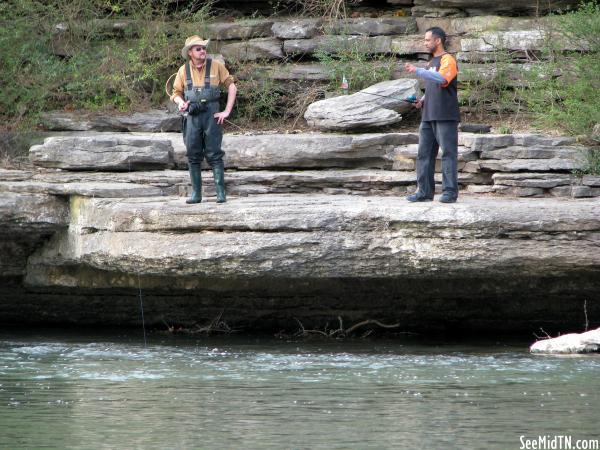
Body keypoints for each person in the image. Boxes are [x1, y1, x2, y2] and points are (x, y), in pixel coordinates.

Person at [171, 35, 237, 204]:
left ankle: (221, 194)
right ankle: (196, 195)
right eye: (198, 49)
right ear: (190, 53)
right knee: (193, 155)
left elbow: (231, 86)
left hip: (212, 115)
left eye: (203, 48)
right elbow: (176, 94)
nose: (203, 51)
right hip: (192, 117)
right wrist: (181, 104)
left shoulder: (216, 66)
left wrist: (226, 111)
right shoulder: (182, 71)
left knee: (215, 154)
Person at [404, 27, 460, 203]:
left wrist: (418, 71)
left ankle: (450, 193)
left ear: (438, 41)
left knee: (448, 154)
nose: (425, 43)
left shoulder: (448, 59)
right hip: (428, 115)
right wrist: (421, 101)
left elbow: (443, 79)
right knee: (424, 155)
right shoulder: (430, 63)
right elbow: (432, 88)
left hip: (445, 115)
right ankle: (424, 192)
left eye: (428, 40)